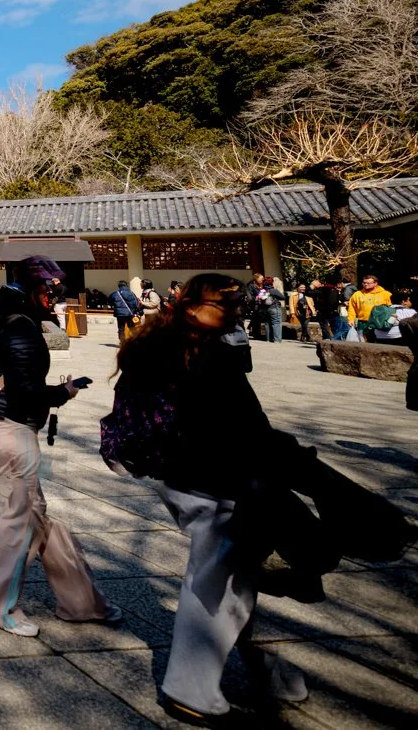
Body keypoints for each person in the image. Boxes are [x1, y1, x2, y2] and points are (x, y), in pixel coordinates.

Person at [109, 273, 313, 722]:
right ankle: (192, 691)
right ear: (193, 305)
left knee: (232, 579)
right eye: (227, 304)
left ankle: (262, 672)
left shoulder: (148, 344)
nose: (236, 312)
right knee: (219, 583)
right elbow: (249, 427)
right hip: (215, 479)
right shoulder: (207, 356)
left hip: (170, 473)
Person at [0, 255, 116, 638]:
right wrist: (63, 393)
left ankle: (82, 602)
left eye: (57, 288)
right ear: (32, 287)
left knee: (35, 515)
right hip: (9, 426)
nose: (55, 294)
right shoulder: (20, 328)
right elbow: (25, 390)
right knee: (23, 519)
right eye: (49, 288)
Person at [347, 274, 392, 343]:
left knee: (379, 344)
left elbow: (391, 309)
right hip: (363, 323)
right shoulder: (357, 294)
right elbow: (351, 308)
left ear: (375, 283)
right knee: (362, 345)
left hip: (379, 324)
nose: (365, 284)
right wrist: (351, 319)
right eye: (364, 283)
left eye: (368, 283)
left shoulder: (386, 294)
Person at [255, 277, 285, 343]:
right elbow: (283, 297)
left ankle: (268, 339)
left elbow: (258, 299)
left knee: (267, 323)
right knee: (276, 323)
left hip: (264, 309)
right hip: (274, 307)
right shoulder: (273, 290)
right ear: (271, 283)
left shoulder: (262, 291)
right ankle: (277, 339)